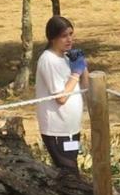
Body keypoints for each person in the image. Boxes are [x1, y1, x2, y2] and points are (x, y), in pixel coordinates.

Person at [35, 16, 89, 176]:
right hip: (56, 129)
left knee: (72, 172)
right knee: (70, 174)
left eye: (71, 34)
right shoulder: (48, 60)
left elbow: (86, 88)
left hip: (71, 127)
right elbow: (61, 98)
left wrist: (83, 66)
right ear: (52, 38)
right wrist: (75, 73)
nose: (69, 39)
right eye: (64, 36)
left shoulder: (66, 58)